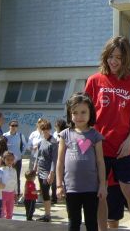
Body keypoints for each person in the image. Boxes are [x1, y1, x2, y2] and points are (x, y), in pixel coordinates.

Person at [85, 36, 130, 231]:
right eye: (110, 56)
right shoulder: (94, 81)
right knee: (101, 193)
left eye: (119, 58)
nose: (113, 61)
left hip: (125, 148)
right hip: (99, 148)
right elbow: (84, 113)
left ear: (126, 60)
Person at [56, 93, 106, 231]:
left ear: (91, 113)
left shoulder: (95, 135)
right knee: (74, 222)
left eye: (83, 112)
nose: (79, 116)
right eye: (75, 113)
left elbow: (100, 162)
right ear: (69, 114)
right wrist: (59, 185)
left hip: (91, 188)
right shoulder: (65, 134)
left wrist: (102, 185)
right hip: (71, 188)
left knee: (91, 223)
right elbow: (60, 161)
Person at [33, 118, 57, 222]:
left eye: (46, 129)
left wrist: (51, 173)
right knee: (43, 191)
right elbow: (38, 156)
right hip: (40, 169)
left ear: (50, 129)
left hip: (48, 171)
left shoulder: (53, 142)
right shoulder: (41, 142)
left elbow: (54, 159)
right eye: (43, 129)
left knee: (46, 192)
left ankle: (47, 215)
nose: (45, 131)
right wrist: (35, 167)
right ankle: (46, 214)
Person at [3, 120, 27, 200]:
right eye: (12, 125)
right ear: (9, 126)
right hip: (6, 160)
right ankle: (6, 193)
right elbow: (1, 146)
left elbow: (25, 145)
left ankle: (16, 195)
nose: (14, 127)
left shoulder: (20, 135)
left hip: (17, 160)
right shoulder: (5, 135)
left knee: (16, 177)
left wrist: (21, 154)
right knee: (6, 176)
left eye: (15, 125)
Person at [51, 118, 67, 204]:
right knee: (57, 177)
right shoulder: (55, 134)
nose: (55, 128)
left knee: (64, 176)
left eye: (56, 126)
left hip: (64, 158)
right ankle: (56, 195)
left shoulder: (64, 134)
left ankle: (64, 193)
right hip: (57, 158)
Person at [0, 151, 17, 219]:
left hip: (11, 193)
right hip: (2, 192)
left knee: (10, 211)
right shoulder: (1, 170)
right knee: (2, 212)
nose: (10, 161)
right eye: (8, 159)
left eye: (12, 160)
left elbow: (15, 182)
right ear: (4, 160)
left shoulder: (14, 170)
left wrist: (16, 192)